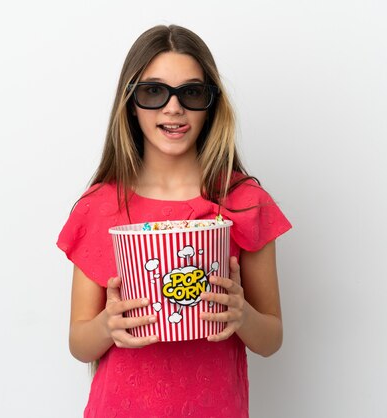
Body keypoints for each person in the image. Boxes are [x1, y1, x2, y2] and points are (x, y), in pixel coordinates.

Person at [57, 24, 292, 417]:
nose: (173, 107)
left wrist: (242, 314)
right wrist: (107, 327)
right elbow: (79, 343)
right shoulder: (99, 207)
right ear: (130, 103)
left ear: (211, 104)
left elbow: (271, 339)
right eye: (153, 91)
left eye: (192, 92)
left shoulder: (244, 202)